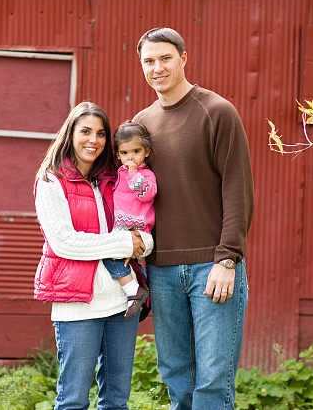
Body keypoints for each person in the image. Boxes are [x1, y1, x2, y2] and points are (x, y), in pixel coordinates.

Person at [133, 27, 254, 409]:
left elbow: (238, 189)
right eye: (149, 61)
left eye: (165, 58)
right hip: (162, 270)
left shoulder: (216, 111)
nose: (158, 68)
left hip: (211, 268)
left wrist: (227, 258)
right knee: (176, 377)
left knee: (213, 382)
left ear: (183, 58)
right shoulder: (142, 123)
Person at [33, 102, 154, 410]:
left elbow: (143, 224)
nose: (94, 140)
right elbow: (65, 243)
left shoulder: (114, 179)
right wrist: (126, 243)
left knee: (116, 401)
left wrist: (145, 244)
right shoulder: (51, 181)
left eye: (101, 133)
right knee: (73, 400)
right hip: (78, 304)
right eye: (85, 131)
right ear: (70, 134)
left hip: (122, 301)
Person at [101, 120, 157, 318]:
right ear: (118, 154)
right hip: (120, 227)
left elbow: (147, 195)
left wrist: (134, 174)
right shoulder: (120, 173)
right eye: (124, 153)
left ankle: (135, 291)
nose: (130, 157)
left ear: (146, 151)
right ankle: (136, 291)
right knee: (111, 256)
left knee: (112, 255)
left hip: (137, 227)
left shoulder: (146, 174)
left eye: (136, 151)